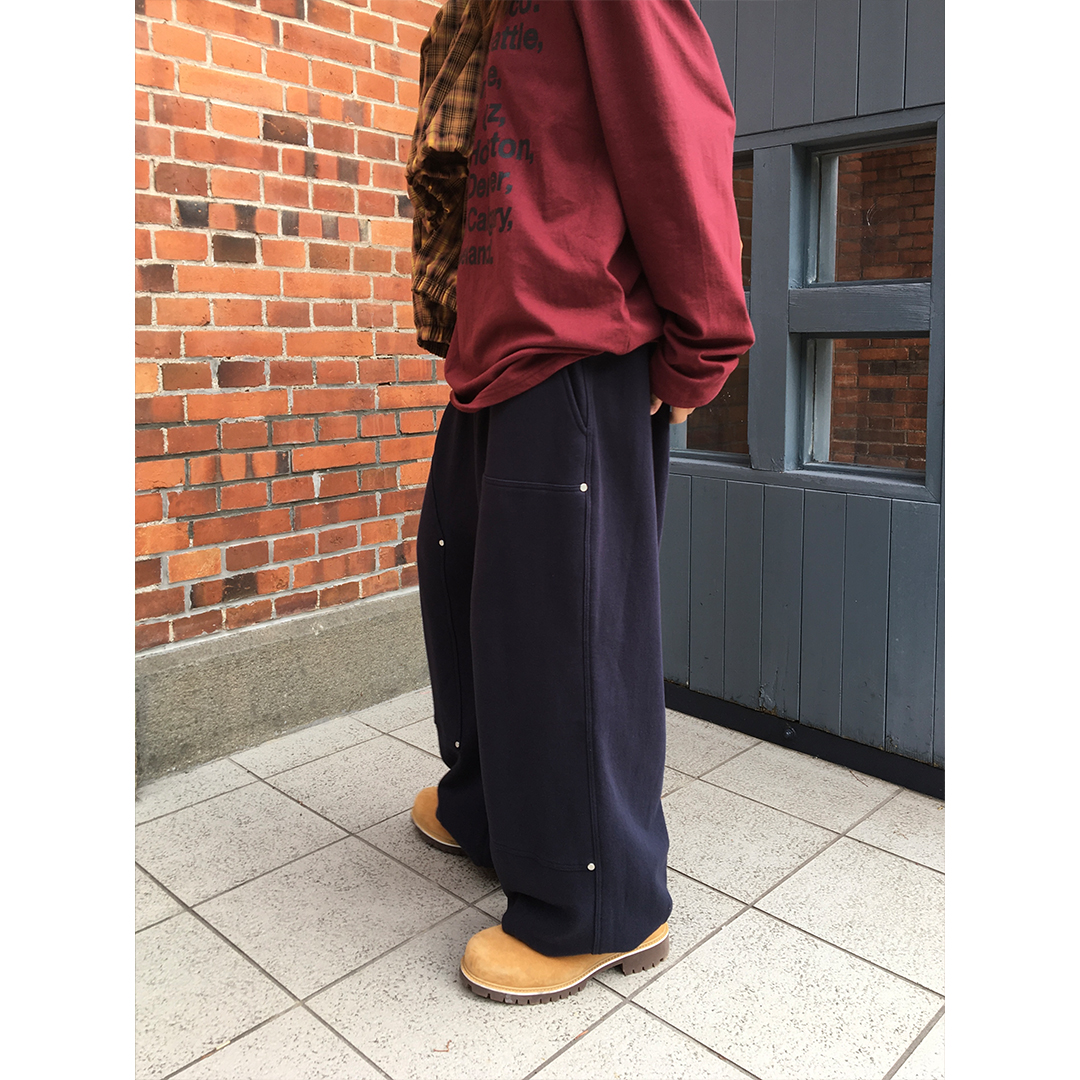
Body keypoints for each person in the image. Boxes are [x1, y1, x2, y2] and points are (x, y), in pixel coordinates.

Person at [405, 0, 754, 1004]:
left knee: (563, 629)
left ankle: (604, 904)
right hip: (494, 341)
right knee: (469, 587)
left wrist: (698, 352)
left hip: (576, 341)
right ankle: (490, 805)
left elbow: (676, 132)